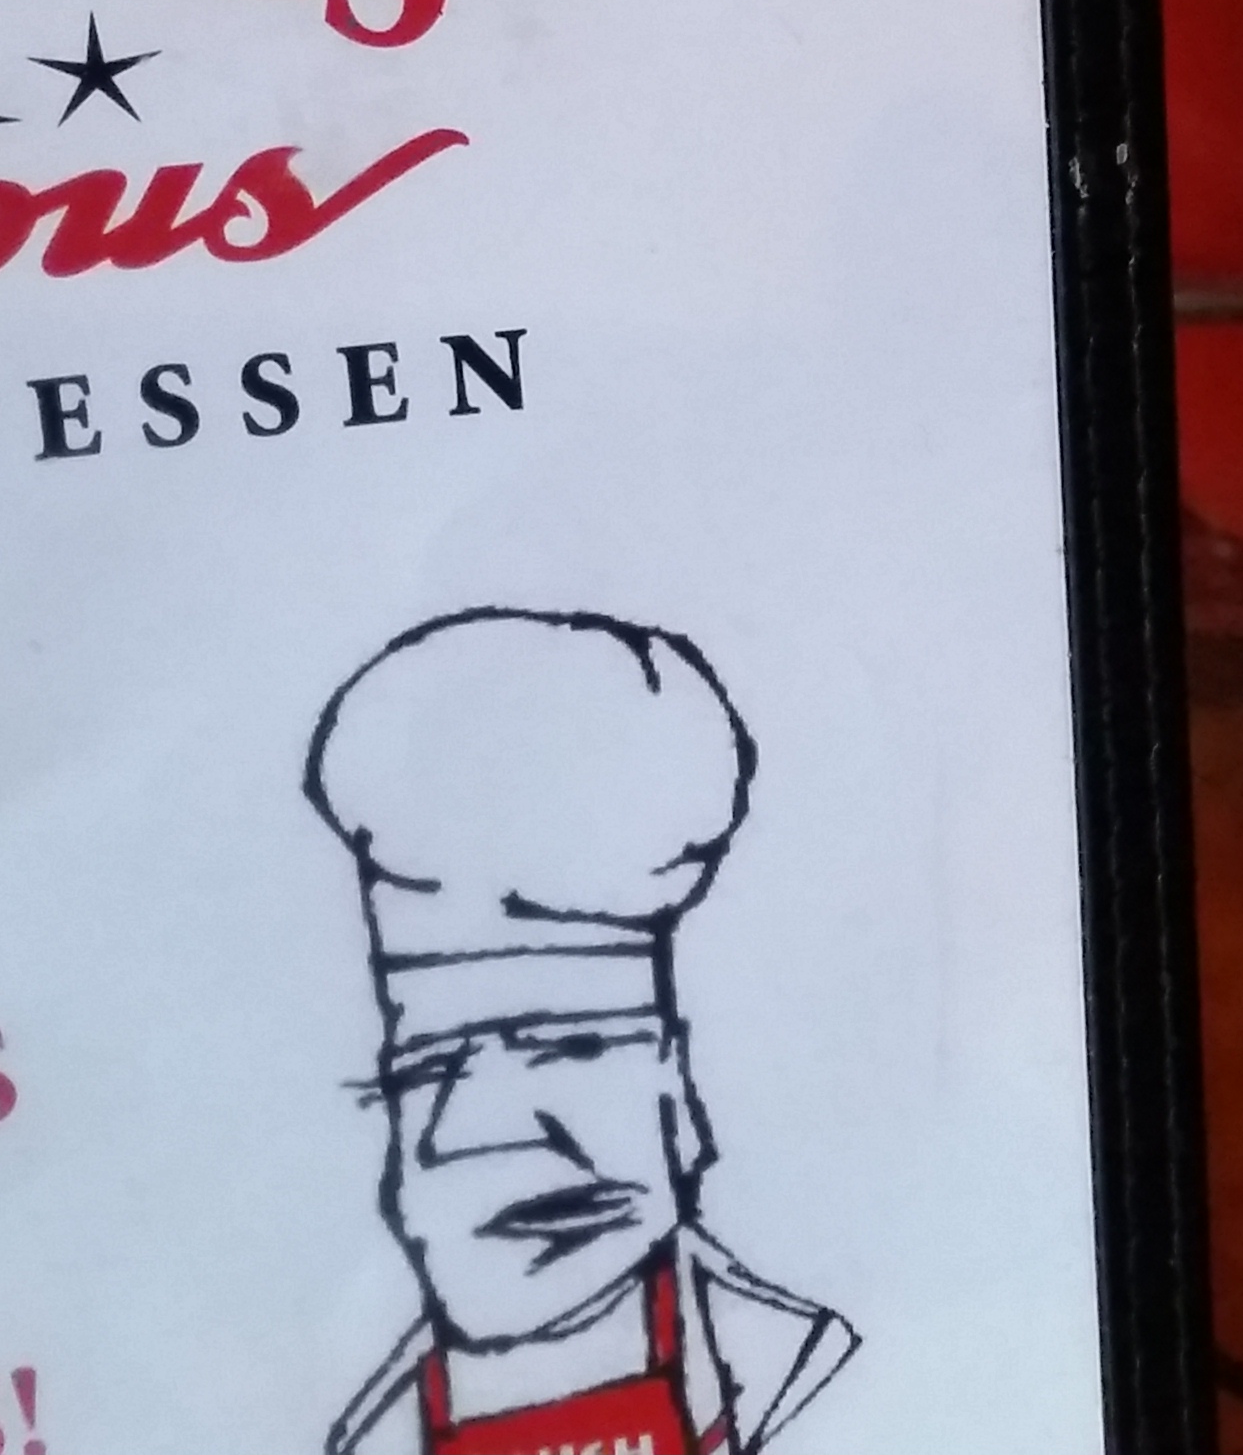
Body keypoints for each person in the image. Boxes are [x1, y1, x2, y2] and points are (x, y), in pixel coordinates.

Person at [306, 609, 855, 1455]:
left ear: (678, 1098)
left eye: (569, 1048)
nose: (483, 1133)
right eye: (428, 1072)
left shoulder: (804, 1389)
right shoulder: (374, 1435)